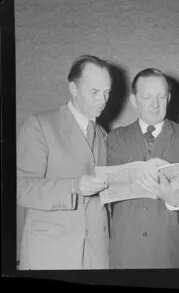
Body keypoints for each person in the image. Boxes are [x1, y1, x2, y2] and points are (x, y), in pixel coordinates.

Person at [17, 55, 112, 269]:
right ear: (74, 88)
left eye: (107, 92)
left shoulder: (103, 134)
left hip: (97, 255)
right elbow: (20, 187)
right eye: (95, 92)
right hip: (52, 253)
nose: (103, 100)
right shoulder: (39, 125)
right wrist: (72, 186)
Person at [107, 68, 179, 269]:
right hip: (128, 253)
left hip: (173, 253)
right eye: (147, 97)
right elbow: (107, 189)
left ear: (168, 98)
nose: (155, 104)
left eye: (161, 96)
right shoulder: (115, 138)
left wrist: (176, 198)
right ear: (134, 101)